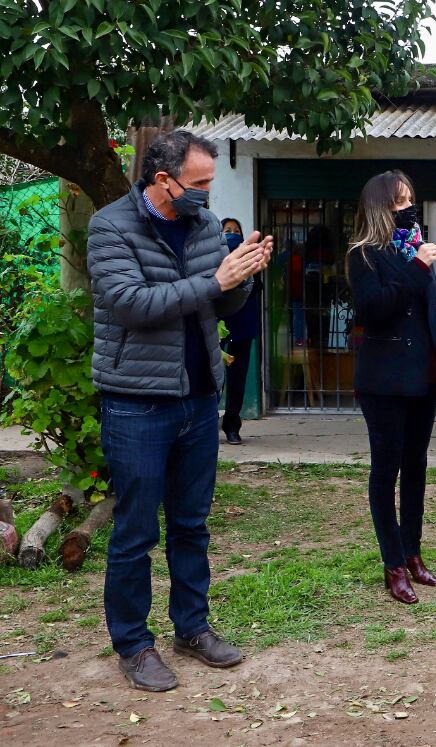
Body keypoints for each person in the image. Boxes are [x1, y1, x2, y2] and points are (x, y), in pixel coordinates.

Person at [87, 130, 273, 691]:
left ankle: (191, 627)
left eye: (211, 183)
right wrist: (215, 278)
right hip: (136, 402)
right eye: (199, 184)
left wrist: (244, 276)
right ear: (162, 179)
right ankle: (134, 644)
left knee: (191, 525)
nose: (207, 195)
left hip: (197, 397)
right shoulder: (111, 226)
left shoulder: (204, 225)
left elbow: (218, 299)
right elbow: (133, 305)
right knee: (136, 531)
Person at [346, 170, 436, 605]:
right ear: (380, 207)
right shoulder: (364, 254)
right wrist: (419, 263)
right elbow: (376, 309)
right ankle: (393, 565)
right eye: (399, 202)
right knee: (386, 472)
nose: (408, 209)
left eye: (411, 199)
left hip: (422, 376)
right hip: (384, 381)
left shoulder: (413, 249)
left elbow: (427, 303)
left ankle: (413, 553)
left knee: (417, 467)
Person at [217, 218, 262, 444]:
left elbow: (257, 289)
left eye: (236, 231)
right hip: (217, 326)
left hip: (243, 326)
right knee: (214, 379)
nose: (232, 234)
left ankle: (232, 424)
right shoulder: (213, 257)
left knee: (238, 380)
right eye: (227, 230)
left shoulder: (251, 256)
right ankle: (208, 422)